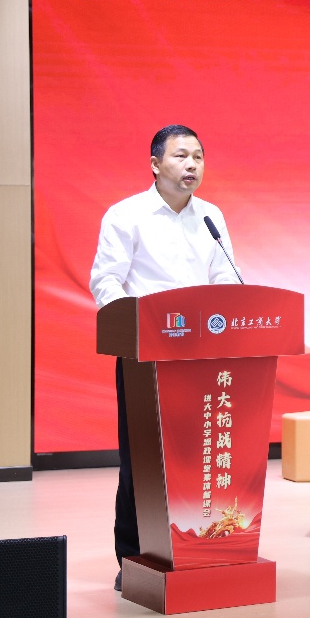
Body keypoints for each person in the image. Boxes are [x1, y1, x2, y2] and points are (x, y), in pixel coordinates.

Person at [88, 125, 241, 590]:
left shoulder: (211, 216)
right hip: (146, 358)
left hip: (201, 358)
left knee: (197, 460)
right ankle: (133, 559)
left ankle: (197, 549)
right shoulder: (126, 215)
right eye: (181, 156)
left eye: (198, 156)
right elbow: (106, 281)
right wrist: (137, 322)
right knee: (143, 463)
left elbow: (226, 279)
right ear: (155, 164)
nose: (191, 164)